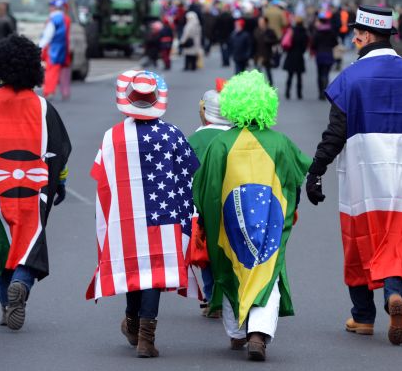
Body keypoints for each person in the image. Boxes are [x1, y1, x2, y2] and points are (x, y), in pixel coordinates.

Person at [306, 5, 402, 346]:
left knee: (360, 237)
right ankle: (394, 293)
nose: (353, 38)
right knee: (396, 235)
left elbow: (335, 132)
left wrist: (316, 171)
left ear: (366, 36)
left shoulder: (351, 77)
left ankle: (363, 316)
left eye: (356, 33)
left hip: (362, 172)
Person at [0, 35, 71, 330]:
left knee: (0, 244)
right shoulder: (44, 107)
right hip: (34, 190)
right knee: (30, 242)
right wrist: (61, 182)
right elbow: (59, 150)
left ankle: (7, 302)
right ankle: (22, 282)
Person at [193, 70, 311, 361]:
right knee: (267, 272)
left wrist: (206, 223)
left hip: (229, 222)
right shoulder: (280, 142)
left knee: (231, 270)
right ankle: (258, 332)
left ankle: (236, 332)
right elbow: (296, 178)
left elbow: (206, 189)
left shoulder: (220, 145)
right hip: (270, 219)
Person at [86, 69, 201, 358]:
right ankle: (146, 338)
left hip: (126, 216)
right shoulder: (172, 134)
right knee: (155, 272)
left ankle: (134, 324)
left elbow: (100, 176)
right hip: (165, 214)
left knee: (134, 267)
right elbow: (190, 174)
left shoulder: (112, 137)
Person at [188, 78, 233, 317]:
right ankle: (228, 295)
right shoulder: (239, 136)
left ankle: (210, 295)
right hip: (233, 204)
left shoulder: (194, 140)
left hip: (202, 207)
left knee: (206, 255)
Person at [39, 0, 70, 100]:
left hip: (53, 49)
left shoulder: (54, 19)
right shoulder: (65, 18)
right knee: (59, 71)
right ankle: (61, 91)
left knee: (51, 71)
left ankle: (49, 91)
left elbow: (48, 35)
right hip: (62, 48)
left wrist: (40, 47)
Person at [310, 11, 338, 100]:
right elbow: (335, 43)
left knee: (319, 73)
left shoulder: (317, 32)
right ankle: (325, 89)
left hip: (320, 54)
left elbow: (313, 44)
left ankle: (320, 92)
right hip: (329, 54)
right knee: (326, 73)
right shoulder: (331, 32)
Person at [282, 16, 309, 100]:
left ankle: (287, 92)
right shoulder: (304, 33)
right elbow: (305, 46)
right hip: (299, 56)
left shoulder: (291, 31)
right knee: (299, 76)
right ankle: (299, 94)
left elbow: (286, 44)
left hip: (291, 55)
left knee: (289, 75)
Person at [253, 16, 278, 85]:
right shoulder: (256, 31)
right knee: (257, 73)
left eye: (262, 22)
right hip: (258, 55)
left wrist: (268, 40)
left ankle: (271, 87)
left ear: (266, 23)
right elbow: (253, 43)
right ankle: (257, 88)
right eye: (259, 22)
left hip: (267, 55)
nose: (260, 23)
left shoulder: (270, 31)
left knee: (268, 72)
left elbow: (275, 41)